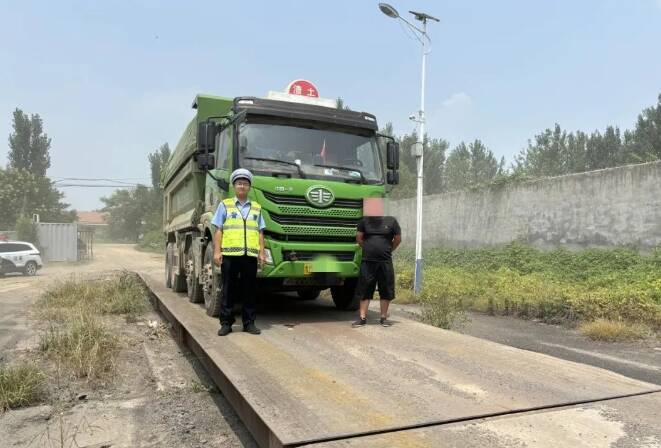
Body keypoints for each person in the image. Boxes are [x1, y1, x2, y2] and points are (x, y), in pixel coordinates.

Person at [212, 168, 266, 336]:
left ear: (249, 187)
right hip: (229, 255)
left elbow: (260, 232)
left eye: (245, 184)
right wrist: (216, 252)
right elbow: (218, 230)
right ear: (234, 186)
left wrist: (262, 253)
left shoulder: (257, 208)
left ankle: (249, 323)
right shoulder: (225, 205)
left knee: (249, 290)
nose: (242, 186)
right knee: (228, 289)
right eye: (239, 183)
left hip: (249, 256)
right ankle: (226, 323)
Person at [352, 198, 402, 327]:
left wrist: (388, 249)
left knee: (386, 289)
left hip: (385, 261)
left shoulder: (391, 221)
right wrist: (369, 249)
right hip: (368, 262)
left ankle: (383, 318)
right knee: (365, 289)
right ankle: (362, 318)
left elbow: (397, 239)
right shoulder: (364, 221)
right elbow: (359, 238)